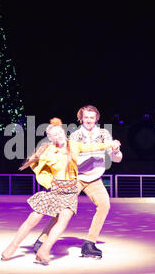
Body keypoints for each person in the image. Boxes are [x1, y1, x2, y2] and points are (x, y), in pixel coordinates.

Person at [1, 117, 120, 265]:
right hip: (54, 190)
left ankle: (44, 250)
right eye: (54, 135)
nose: (58, 136)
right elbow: (33, 163)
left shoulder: (74, 146)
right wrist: (47, 181)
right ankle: (12, 246)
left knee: (63, 220)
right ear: (50, 138)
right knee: (34, 217)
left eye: (60, 133)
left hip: (70, 191)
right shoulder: (47, 150)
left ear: (64, 133)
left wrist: (111, 143)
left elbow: (94, 147)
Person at [33, 105, 123, 259]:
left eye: (92, 117)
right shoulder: (74, 136)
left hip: (94, 179)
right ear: (81, 118)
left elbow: (117, 159)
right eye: (86, 117)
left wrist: (115, 150)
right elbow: (72, 159)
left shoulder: (104, 134)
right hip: (74, 178)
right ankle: (42, 240)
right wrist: (91, 155)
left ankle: (89, 243)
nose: (89, 120)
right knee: (61, 208)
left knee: (104, 204)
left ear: (96, 118)